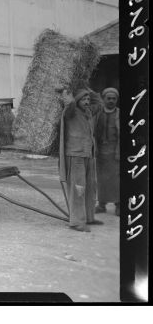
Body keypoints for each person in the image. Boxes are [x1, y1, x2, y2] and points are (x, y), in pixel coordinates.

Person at [59, 87, 104, 232]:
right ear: (77, 100)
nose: (87, 102)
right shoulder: (70, 112)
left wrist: (89, 90)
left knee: (90, 187)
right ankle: (77, 222)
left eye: (88, 99)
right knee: (78, 189)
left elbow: (100, 104)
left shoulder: (89, 112)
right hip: (75, 155)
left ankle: (89, 217)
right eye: (83, 99)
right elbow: (70, 103)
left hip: (89, 154)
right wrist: (67, 91)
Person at [95, 87, 120, 216]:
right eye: (108, 98)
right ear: (104, 99)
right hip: (101, 152)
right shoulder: (98, 113)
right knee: (102, 179)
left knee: (116, 180)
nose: (111, 101)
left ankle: (118, 205)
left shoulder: (120, 114)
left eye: (114, 99)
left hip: (116, 152)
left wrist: (119, 151)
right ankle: (101, 204)